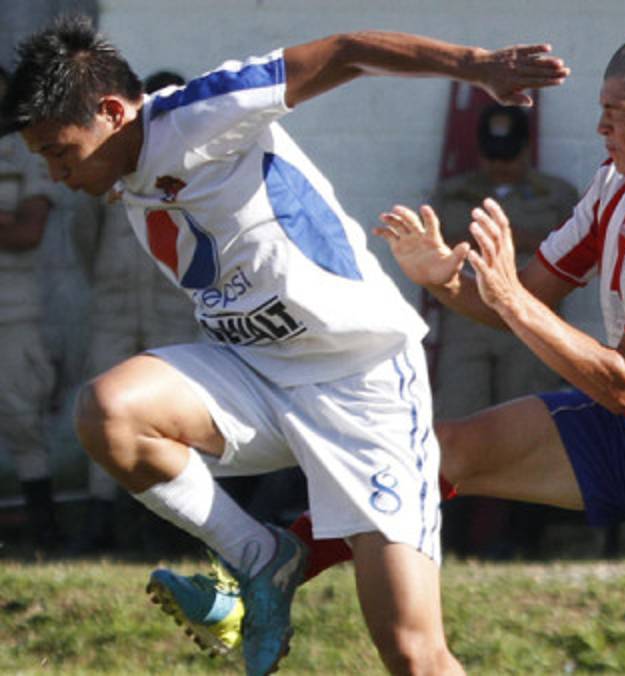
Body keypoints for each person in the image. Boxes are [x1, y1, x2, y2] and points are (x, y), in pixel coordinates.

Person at [2, 13, 567, 676]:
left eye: (61, 151)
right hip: (255, 375)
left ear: (110, 111)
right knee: (109, 412)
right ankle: (259, 556)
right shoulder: (122, 166)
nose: (56, 173)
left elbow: (346, 51)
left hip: (362, 383)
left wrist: (477, 65)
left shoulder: (202, 110)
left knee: (414, 654)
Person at [376, 30, 625, 675]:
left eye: (614, 113)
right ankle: (279, 566)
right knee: (434, 453)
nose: (598, 127)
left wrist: (512, 301)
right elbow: (522, 300)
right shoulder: (616, 184)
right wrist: (441, 277)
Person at [429, 103, 578, 558]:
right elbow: (444, 235)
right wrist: (521, 238)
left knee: (528, 427)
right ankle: (450, 540)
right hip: (468, 319)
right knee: (455, 421)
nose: (500, 163)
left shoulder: (556, 192)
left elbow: (569, 239)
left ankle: (519, 540)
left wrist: (499, 238)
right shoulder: (454, 192)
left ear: (525, 150)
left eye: (508, 154)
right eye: (492, 154)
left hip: (530, 317)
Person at [68, 69, 200, 554]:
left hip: (172, 308)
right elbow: (85, 232)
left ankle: (169, 525)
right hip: (115, 308)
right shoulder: (113, 164)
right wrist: (108, 283)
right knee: (101, 404)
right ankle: (100, 520)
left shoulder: (197, 167)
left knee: (173, 413)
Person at [0, 64, 59, 553]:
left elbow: (27, 232)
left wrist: (11, 224)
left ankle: (45, 535)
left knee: (23, 421)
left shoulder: (26, 147)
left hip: (12, 308)